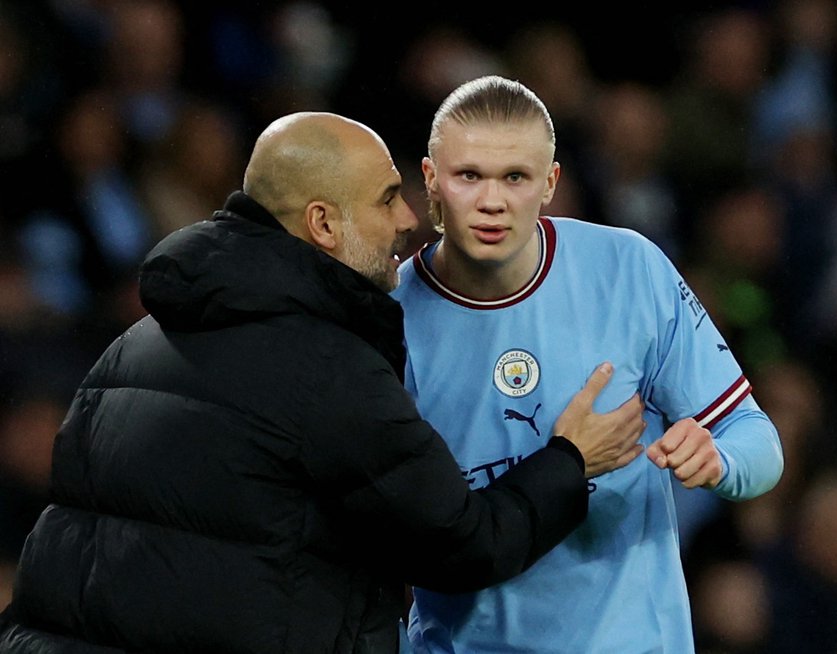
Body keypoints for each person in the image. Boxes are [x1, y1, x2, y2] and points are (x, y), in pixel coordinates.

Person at [0, 112, 648, 653]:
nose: (408, 221)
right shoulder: (326, 369)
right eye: (388, 198)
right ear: (323, 224)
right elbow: (466, 545)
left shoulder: (129, 349)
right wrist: (571, 458)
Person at [392, 75, 785, 653]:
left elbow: (759, 441)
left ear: (550, 183)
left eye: (516, 177)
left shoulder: (629, 267)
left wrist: (718, 459)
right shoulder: (389, 314)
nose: (492, 200)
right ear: (430, 179)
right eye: (469, 175)